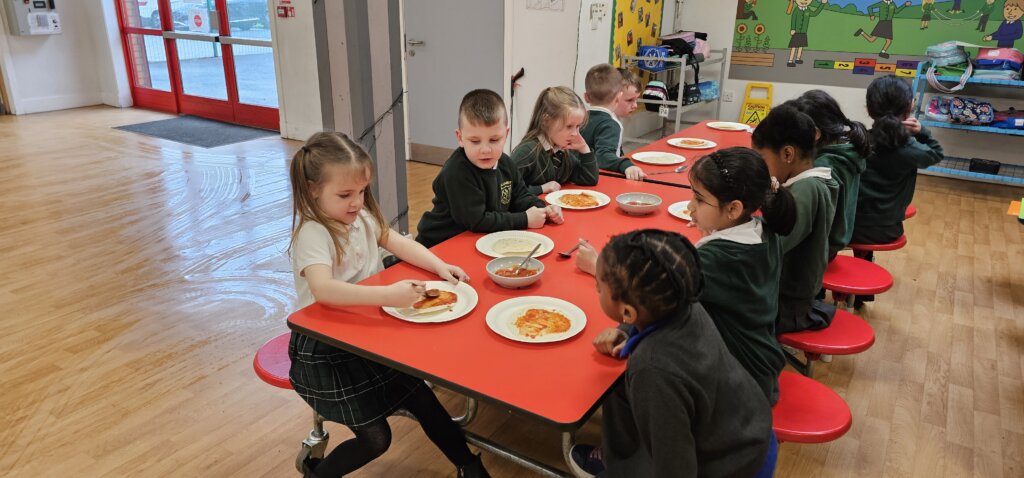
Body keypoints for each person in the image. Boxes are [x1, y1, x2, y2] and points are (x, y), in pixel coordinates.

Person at [287, 132, 489, 478]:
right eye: (345, 194)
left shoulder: (361, 218)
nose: (357, 202)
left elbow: (397, 242)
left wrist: (438, 265)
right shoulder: (313, 233)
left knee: (423, 398)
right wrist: (389, 295)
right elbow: (323, 290)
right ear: (312, 189)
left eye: (362, 192)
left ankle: (468, 466)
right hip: (325, 352)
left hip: (366, 338)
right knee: (376, 439)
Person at [571, 230, 772, 478]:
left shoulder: (653, 368)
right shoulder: (684, 301)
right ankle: (619, 461)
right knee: (616, 386)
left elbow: (676, 470)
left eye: (599, 287)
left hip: (730, 461)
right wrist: (628, 330)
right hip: (747, 428)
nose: (596, 288)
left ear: (629, 312)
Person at [416, 89, 563, 249]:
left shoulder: (505, 163)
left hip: (479, 240)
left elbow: (521, 196)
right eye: (475, 141)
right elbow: (477, 221)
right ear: (460, 138)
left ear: (506, 135)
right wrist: (525, 219)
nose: (485, 149)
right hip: (439, 246)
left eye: (494, 140)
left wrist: (544, 209)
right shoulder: (456, 172)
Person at [851, 75, 943, 307]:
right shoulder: (910, 149)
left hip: (846, 226)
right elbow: (936, 153)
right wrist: (923, 132)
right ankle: (860, 290)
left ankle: (820, 289)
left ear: (869, 109)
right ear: (910, 106)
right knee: (867, 230)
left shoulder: (858, 141)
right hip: (885, 229)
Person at [751, 105, 838, 334]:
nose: (759, 167)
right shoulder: (806, 182)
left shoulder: (806, 191)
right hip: (786, 295)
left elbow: (770, 248)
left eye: (761, 159)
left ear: (788, 154)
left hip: (785, 305)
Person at [788, 90, 872, 260]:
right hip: (836, 239)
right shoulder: (848, 149)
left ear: (815, 134)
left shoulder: (823, 167)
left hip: (820, 249)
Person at [511, 86, 600, 195]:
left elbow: (590, 179)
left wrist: (584, 148)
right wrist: (541, 189)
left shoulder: (561, 152)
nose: (575, 133)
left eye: (578, 126)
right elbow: (506, 194)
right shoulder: (527, 152)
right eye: (569, 126)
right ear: (546, 120)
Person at [580, 65, 646, 180]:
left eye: (636, 100)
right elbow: (603, 156)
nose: (635, 105)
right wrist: (626, 166)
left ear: (586, 97)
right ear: (617, 98)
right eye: (630, 100)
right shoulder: (611, 124)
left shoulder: (582, 117)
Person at [788, 0, 828, 67]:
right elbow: (793, 19)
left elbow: (815, 13)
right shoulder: (796, 10)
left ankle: (798, 59)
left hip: (803, 32)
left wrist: (822, 4)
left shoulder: (808, 10)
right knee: (794, 46)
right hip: (796, 32)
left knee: (801, 46)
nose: (804, 1)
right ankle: (790, 61)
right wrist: (792, 28)